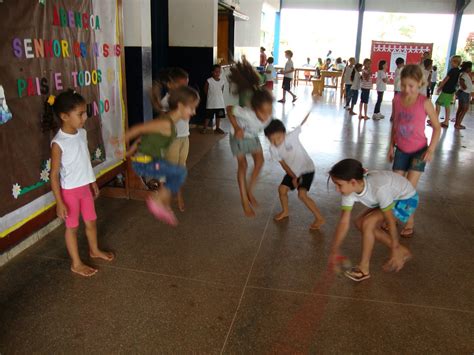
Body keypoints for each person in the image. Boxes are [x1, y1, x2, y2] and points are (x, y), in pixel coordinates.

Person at [43, 90, 114, 277]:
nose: (85, 117)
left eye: (85, 112)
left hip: (85, 189)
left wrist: (92, 182)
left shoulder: (82, 133)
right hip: (70, 193)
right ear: (64, 116)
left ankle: (94, 250)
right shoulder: (58, 143)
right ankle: (76, 263)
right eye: (80, 114)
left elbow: (85, 161)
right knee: (72, 227)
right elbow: (54, 175)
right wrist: (59, 202)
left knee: (91, 222)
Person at [328, 159, 417, 282]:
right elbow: (344, 222)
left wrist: (394, 250)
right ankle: (402, 250)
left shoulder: (378, 189)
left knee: (368, 223)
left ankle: (363, 269)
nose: (337, 189)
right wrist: (334, 249)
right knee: (359, 222)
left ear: (353, 182)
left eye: (339, 185)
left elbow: (390, 221)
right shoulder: (349, 190)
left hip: (406, 199)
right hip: (390, 197)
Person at [125, 86, 200, 226]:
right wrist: (121, 141)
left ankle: (162, 204)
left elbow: (143, 138)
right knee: (180, 172)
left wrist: (130, 151)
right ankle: (157, 200)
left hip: (149, 161)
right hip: (144, 163)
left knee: (177, 173)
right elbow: (139, 128)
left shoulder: (169, 121)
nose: (194, 112)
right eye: (192, 108)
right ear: (180, 106)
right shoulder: (165, 123)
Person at [388, 64, 441, 238]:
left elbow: (437, 127)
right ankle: (393, 219)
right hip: (401, 149)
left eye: (411, 86)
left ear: (420, 83)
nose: (407, 89)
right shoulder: (397, 99)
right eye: (403, 85)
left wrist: (431, 149)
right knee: (396, 186)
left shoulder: (424, 102)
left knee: (408, 188)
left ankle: (409, 221)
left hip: (419, 151)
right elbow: (394, 124)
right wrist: (390, 145)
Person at [227, 61, 273, 217]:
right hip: (238, 137)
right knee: (243, 165)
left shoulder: (266, 115)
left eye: (269, 111)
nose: (267, 115)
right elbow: (229, 110)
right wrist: (237, 128)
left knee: (260, 161)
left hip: (252, 137)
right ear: (255, 109)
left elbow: (266, 127)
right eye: (264, 112)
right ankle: (244, 201)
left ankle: (249, 190)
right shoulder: (247, 113)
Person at [264, 114, 325, 230]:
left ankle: (319, 218)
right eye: (272, 140)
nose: (276, 142)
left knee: (302, 195)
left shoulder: (292, 136)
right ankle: (285, 211)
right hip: (293, 171)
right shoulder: (273, 148)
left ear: (284, 133)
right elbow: (283, 164)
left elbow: (302, 122)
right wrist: (293, 177)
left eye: (278, 138)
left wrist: (313, 106)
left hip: (307, 169)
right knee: (282, 189)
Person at [159, 67, 190, 212]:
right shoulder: (166, 100)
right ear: (171, 85)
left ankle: (177, 195)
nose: (185, 88)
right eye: (181, 85)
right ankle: (168, 198)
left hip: (184, 137)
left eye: (186, 85)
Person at [435, 55, 462, 128]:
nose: (450, 63)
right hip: (451, 90)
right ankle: (445, 121)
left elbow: (445, 80)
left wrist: (440, 87)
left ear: (455, 62)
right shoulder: (458, 70)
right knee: (446, 105)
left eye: (451, 61)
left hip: (447, 90)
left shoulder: (452, 70)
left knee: (438, 103)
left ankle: (439, 120)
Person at [203, 64, 226, 135]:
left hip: (220, 103)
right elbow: (205, 90)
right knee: (208, 116)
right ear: (212, 72)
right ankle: (205, 128)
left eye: (219, 72)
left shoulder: (222, 81)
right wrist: (210, 97)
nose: (217, 73)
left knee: (219, 116)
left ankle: (217, 128)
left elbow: (221, 90)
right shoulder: (209, 81)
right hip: (211, 103)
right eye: (216, 72)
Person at [454, 61, 473, 130]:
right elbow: (462, 81)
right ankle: (458, 124)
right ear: (467, 68)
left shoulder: (463, 74)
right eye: (470, 67)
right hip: (465, 93)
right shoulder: (464, 75)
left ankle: (457, 123)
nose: (471, 69)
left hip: (463, 93)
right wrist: (464, 87)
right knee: (464, 109)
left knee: (460, 109)